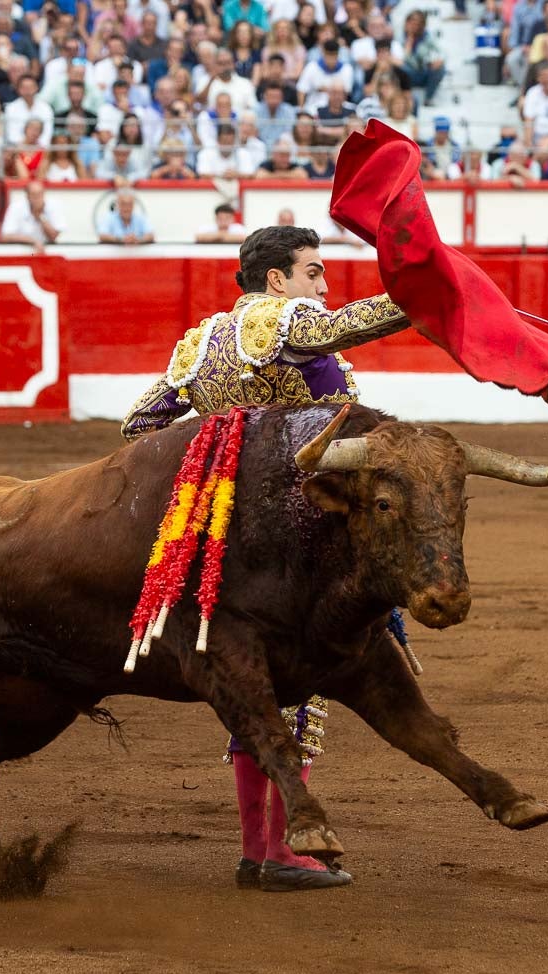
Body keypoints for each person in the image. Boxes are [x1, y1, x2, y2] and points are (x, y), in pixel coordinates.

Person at [120, 226, 418, 891]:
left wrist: (224, 459)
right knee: (300, 690)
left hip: (225, 544)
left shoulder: (199, 343)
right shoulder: (289, 319)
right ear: (276, 280)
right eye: (313, 272)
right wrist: (427, 291)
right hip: (298, 541)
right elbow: (351, 326)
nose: (322, 286)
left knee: (251, 691)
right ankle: (286, 855)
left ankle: (262, 850)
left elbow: (139, 425)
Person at [0, 179, 66, 249]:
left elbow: (53, 237)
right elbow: (6, 237)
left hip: (46, 251)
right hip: (21, 251)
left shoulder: (54, 206)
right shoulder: (16, 207)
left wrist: (41, 217)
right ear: (27, 196)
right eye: (34, 194)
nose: (37, 198)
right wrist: (32, 241)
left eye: (40, 194)